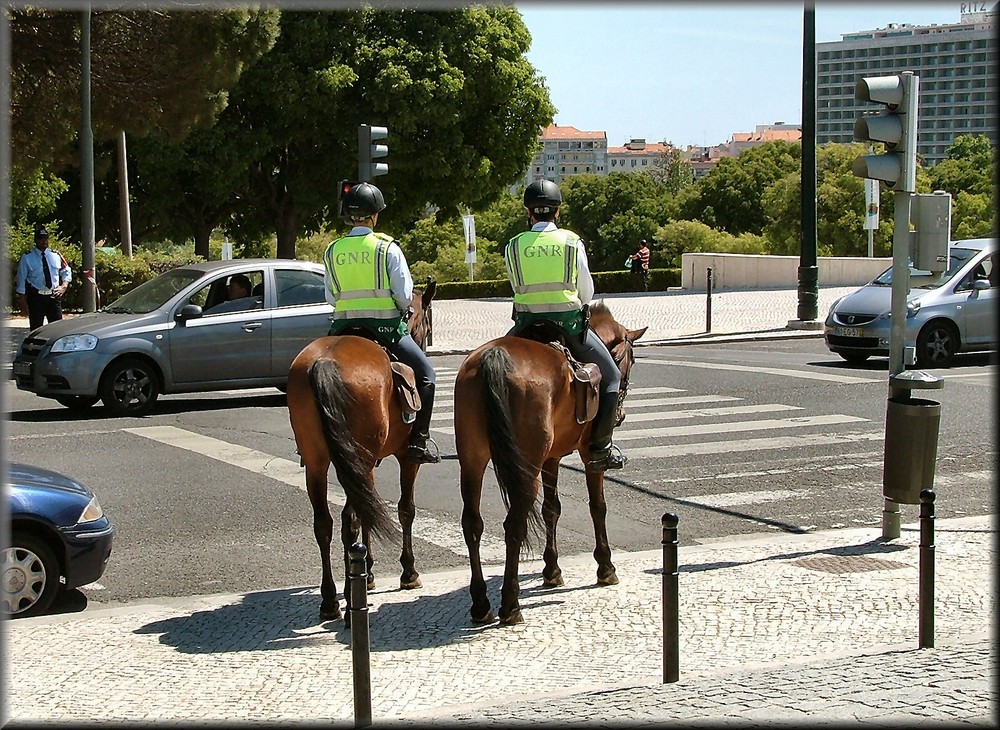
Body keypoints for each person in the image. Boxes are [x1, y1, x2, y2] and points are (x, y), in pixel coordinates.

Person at [504, 179, 627, 472]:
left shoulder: (514, 245)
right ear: (557, 212)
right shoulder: (571, 242)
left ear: (528, 212)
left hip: (525, 326)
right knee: (611, 377)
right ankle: (601, 448)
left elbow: (515, 285)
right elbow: (587, 292)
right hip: (569, 327)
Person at [322, 181, 439, 464]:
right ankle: (418, 442)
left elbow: (330, 296)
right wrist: (402, 310)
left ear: (350, 216)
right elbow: (402, 295)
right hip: (385, 329)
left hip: (342, 329)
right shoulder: (387, 248)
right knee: (426, 375)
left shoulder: (332, 250)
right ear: (375, 215)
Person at [16, 227, 72, 330]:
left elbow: (66, 270)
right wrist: (23, 303)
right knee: (36, 330)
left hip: (53, 297)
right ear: (35, 240)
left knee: (58, 329)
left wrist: (64, 286)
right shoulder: (27, 257)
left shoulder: (55, 255)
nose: (44, 241)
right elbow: (21, 281)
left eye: (46, 238)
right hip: (36, 298)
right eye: (41, 239)